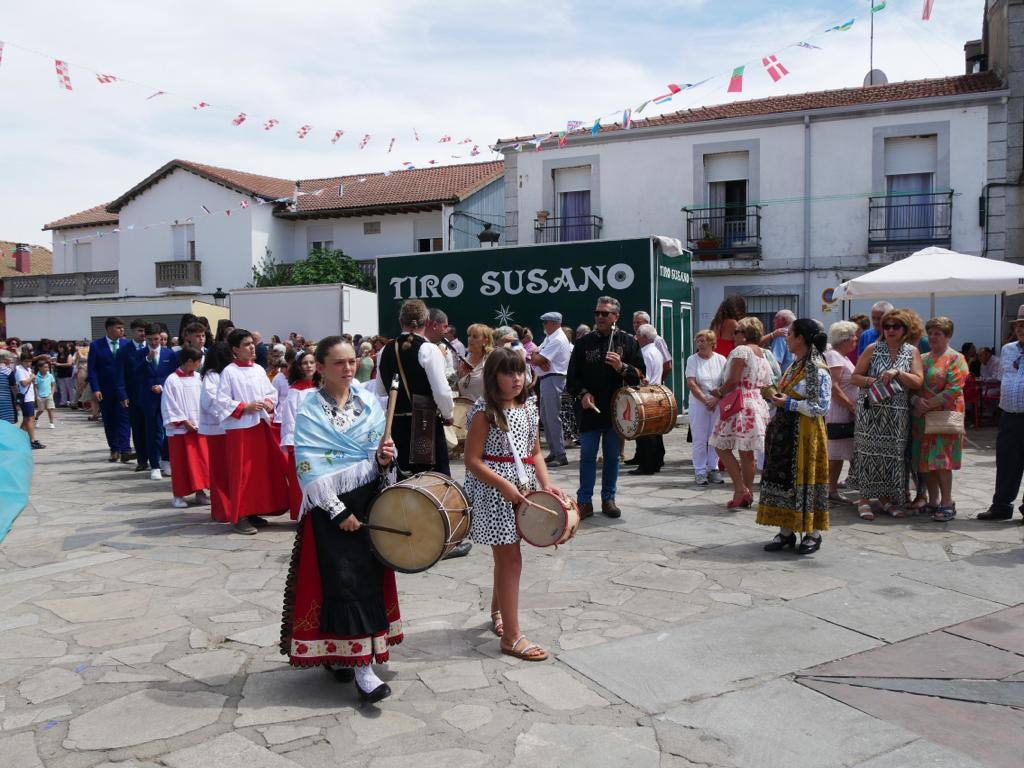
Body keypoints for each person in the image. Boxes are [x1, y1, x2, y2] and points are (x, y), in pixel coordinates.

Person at [282, 337, 401, 702]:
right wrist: (338, 511)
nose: (348, 369)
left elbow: (379, 458)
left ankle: (359, 663)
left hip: (368, 502)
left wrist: (385, 458)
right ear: (320, 366)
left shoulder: (369, 404)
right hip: (329, 508)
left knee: (365, 582)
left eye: (351, 362)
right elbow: (308, 466)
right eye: (338, 363)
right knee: (342, 583)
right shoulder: (309, 410)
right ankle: (355, 666)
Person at [463, 346, 565, 661]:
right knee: (511, 560)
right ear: (494, 377)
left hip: (523, 487)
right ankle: (512, 636)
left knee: (507, 558)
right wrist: (504, 485)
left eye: (520, 371)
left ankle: (499, 613)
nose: (517, 378)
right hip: (495, 492)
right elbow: (471, 460)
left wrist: (547, 485)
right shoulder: (484, 412)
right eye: (509, 373)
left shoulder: (528, 408)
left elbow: (534, 452)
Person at [566, 296, 645, 519]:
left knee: (611, 457)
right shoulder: (583, 344)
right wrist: (583, 394)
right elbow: (572, 379)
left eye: (605, 313)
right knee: (588, 456)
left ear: (616, 317)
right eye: (597, 313)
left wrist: (622, 367)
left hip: (617, 411)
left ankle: (608, 499)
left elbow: (640, 376)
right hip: (590, 411)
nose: (600, 317)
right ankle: (584, 501)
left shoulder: (628, 342)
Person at [758, 319, 831, 555]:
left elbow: (821, 406)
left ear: (800, 338)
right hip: (785, 432)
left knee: (804, 479)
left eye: (790, 334)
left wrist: (787, 402)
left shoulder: (815, 368)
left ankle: (813, 533)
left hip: (805, 434)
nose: (786, 338)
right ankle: (786, 530)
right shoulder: (795, 364)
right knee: (784, 481)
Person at [212, 328, 290, 534]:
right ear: (235, 349)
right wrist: (244, 407)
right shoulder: (229, 371)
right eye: (246, 344)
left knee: (258, 472)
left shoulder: (257, 369)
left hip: (260, 425)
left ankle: (254, 509)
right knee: (242, 473)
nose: (252, 347)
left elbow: (271, 392)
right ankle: (239, 516)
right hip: (240, 429)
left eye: (252, 343)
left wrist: (268, 402)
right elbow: (221, 401)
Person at [850, 308, 925, 520]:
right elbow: (854, 377)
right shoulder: (873, 348)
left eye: (896, 326)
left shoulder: (911, 352)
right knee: (868, 453)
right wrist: (874, 382)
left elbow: (918, 381)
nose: (891, 330)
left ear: (905, 329)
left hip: (897, 413)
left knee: (892, 455)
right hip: (871, 410)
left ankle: (886, 499)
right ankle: (864, 499)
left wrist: (898, 373)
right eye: (887, 326)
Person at [372, 300, 456, 476]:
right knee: (433, 481)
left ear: (401, 321)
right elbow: (441, 391)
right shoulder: (429, 349)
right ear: (426, 322)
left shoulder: (384, 351)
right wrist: (448, 414)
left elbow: (380, 391)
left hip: (395, 426)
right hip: (425, 425)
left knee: (402, 481)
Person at [708, 317, 773, 509]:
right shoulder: (762, 353)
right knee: (747, 451)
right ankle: (748, 492)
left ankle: (740, 489)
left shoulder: (741, 350)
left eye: (736, 332)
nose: (733, 335)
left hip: (739, 403)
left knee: (721, 446)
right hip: (756, 403)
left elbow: (733, 380)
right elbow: (767, 383)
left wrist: (718, 392)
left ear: (744, 335)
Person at [908, 317, 969, 522]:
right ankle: (933, 500)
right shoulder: (922, 358)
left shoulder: (956, 358)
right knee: (924, 461)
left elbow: (955, 388)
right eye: (930, 333)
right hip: (922, 418)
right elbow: (911, 384)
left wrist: (929, 403)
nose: (933, 337)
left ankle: (947, 502)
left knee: (942, 461)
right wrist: (916, 400)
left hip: (944, 419)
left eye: (938, 333)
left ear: (948, 336)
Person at [978, 306, 1024, 523]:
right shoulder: (1008, 349)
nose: (1022, 329)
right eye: (1019, 325)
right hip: (1009, 415)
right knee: (1006, 462)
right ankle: (1001, 506)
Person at [160, 347, 210, 509]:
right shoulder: (172, 380)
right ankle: (178, 495)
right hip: (181, 430)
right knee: (181, 463)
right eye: (197, 362)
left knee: (200, 463)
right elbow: (169, 404)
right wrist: (183, 421)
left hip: (199, 427)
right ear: (189, 361)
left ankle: (200, 492)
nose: (198, 366)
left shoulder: (198, 378)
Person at [280, 350, 320, 520]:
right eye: (305, 363)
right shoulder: (295, 392)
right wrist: (292, 443)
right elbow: (290, 419)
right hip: (303, 443)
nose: (309, 366)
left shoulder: (323, 388)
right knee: (302, 480)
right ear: (298, 367)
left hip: (322, 441)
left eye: (312, 362)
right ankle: (303, 515)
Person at [685, 330, 727, 486]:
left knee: (715, 437)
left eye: (703, 341)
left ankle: (713, 468)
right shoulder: (692, 360)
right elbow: (691, 383)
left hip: (717, 403)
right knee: (700, 438)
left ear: (712, 343)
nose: (700, 344)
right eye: (698, 341)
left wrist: (716, 399)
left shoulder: (721, 359)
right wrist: (705, 400)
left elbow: (725, 382)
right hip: (698, 404)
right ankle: (700, 471)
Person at [88, 317, 132, 462]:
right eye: (119, 328)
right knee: (109, 419)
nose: (122, 330)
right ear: (109, 329)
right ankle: (114, 448)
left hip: (123, 389)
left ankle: (125, 449)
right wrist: (95, 388)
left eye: (122, 328)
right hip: (105, 389)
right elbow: (92, 369)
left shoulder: (127, 344)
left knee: (124, 419)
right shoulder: (96, 345)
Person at [138, 324, 179, 480]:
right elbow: (135, 372)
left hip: (166, 396)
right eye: (150, 339)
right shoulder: (141, 353)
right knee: (152, 431)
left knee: (169, 429)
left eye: (156, 339)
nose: (154, 342)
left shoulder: (169, 353)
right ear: (146, 339)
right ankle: (154, 464)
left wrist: (163, 387)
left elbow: (175, 374)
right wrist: (147, 360)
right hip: (148, 398)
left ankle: (166, 459)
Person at [824, 321, 859, 503]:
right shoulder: (835, 357)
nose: (856, 340)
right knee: (834, 454)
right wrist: (851, 406)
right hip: (838, 410)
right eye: (853, 336)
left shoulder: (842, 357)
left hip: (843, 409)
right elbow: (833, 386)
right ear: (845, 339)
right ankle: (828, 490)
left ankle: (831, 489)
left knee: (838, 454)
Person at [532, 312, 572, 467]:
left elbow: (539, 358)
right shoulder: (551, 337)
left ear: (555, 323)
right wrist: (537, 357)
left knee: (552, 417)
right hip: (547, 379)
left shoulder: (557, 338)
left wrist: (538, 358)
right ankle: (555, 451)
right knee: (546, 417)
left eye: (546, 322)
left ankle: (560, 454)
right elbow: (535, 353)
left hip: (554, 378)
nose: (544, 325)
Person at [199, 342, 232, 523]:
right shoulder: (212, 376)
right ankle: (222, 509)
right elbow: (210, 402)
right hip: (217, 429)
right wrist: (230, 413)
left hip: (230, 428)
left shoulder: (227, 374)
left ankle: (233, 507)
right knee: (220, 472)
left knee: (230, 471)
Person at [631, 324, 666, 475]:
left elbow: (645, 378)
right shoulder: (656, 351)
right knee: (655, 431)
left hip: (646, 394)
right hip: (656, 392)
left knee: (645, 433)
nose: (635, 336)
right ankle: (656, 461)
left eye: (638, 334)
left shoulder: (644, 353)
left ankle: (647, 465)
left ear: (644, 337)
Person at [122, 322, 152, 473]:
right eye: (140, 331)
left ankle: (155, 458)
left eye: (144, 331)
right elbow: (120, 375)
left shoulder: (152, 348)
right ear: (133, 331)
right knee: (138, 429)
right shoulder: (124, 350)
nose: (142, 334)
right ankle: (141, 460)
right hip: (134, 396)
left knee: (153, 429)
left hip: (152, 395)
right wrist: (123, 394)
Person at [14, 352, 44, 449]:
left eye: (30, 361)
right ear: (22, 361)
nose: (29, 363)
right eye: (26, 362)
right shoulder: (20, 370)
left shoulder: (27, 369)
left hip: (29, 397)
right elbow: (23, 383)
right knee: (29, 419)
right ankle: (33, 440)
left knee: (27, 419)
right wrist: (31, 377)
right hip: (25, 398)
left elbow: (31, 383)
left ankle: (19, 438)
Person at [633, 311, 672, 382]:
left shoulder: (658, 340)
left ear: (647, 323)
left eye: (638, 322)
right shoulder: (633, 339)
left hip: (650, 386)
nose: (635, 325)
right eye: (634, 323)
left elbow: (667, 366)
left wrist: (656, 382)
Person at [426, 308, 459, 390]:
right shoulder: (418, 346)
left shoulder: (444, 347)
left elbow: (450, 383)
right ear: (434, 326)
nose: (445, 331)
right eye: (445, 326)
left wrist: (459, 373)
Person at [458, 324, 493, 401]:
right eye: (469, 335)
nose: (470, 339)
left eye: (475, 336)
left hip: (484, 411)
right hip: (463, 409)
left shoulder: (491, 360)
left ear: (485, 341)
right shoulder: (464, 360)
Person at [34, 360, 57, 429]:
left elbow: (53, 384)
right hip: (40, 396)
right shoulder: (37, 377)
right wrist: (37, 395)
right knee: (41, 410)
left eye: (47, 367)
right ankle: (36, 417)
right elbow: (35, 386)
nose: (46, 369)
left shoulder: (50, 375)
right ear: (40, 368)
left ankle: (51, 422)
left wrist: (52, 393)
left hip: (49, 395)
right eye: (45, 367)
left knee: (50, 409)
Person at [53, 342, 76, 408]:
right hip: (60, 373)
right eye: (59, 347)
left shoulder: (68, 355)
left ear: (64, 348)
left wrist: (59, 364)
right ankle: (63, 402)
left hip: (67, 373)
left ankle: (72, 402)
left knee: (70, 388)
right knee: (62, 389)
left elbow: (69, 364)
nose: (59, 349)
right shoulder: (58, 355)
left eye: (61, 347)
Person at [0, 351, 17, 425]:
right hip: (5, 400)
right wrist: (17, 398)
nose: (11, 359)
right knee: (6, 422)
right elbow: (14, 387)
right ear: (4, 359)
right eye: (10, 357)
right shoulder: (8, 371)